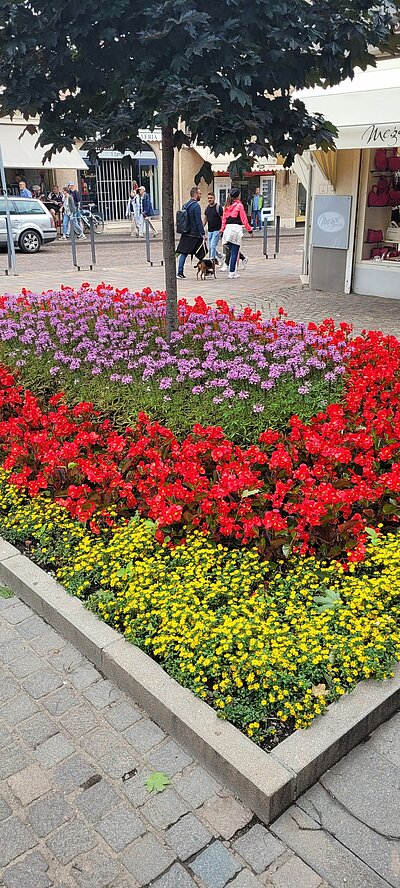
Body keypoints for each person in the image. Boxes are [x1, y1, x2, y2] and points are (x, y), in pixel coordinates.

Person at [221, 188, 253, 279]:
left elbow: (223, 220)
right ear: (238, 195)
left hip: (227, 229)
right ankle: (232, 272)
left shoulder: (226, 206)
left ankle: (232, 270)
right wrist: (249, 230)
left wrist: (222, 231)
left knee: (232, 251)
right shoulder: (239, 206)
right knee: (235, 252)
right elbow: (244, 219)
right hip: (236, 230)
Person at [177, 186, 206, 279]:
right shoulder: (196, 206)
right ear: (195, 194)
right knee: (202, 252)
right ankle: (206, 270)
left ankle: (180, 272)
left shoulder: (186, 205)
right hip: (194, 234)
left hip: (186, 232)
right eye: (199, 193)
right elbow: (198, 221)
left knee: (184, 252)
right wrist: (202, 233)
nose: (200, 195)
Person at [203, 192, 223, 264]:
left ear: (214, 198)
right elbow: (205, 219)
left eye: (211, 198)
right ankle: (220, 256)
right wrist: (202, 228)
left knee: (213, 246)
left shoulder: (218, 207)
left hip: (217, 230)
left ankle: (211, 262)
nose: (209, 199)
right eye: (208, 198)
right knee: (211, 247)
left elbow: (222, 219)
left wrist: (222, 229)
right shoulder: (207, 208)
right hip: (210, 231)